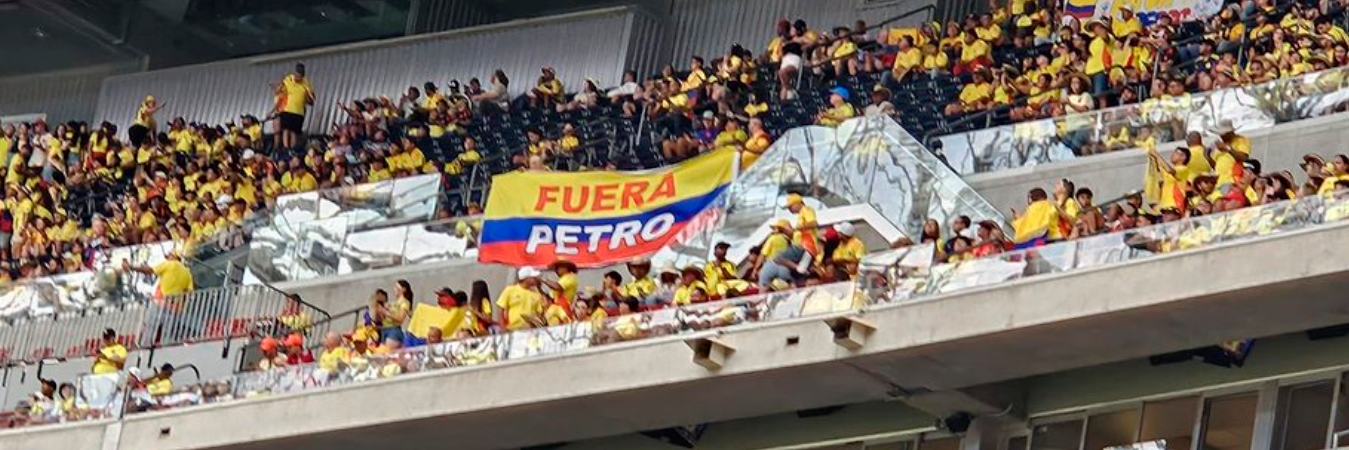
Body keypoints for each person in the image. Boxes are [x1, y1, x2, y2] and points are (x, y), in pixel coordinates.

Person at [276, 63, 315, 151]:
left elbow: (312, 99)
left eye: (300, 77)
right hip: (287, 109)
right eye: (297, 76)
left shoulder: (306, 83)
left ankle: (293, 148)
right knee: (286, 129)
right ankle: (286, 147)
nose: (298, 78)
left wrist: (308, 97)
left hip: (299, 111)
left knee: (294, 131)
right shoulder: (288, 79)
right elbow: (278, 91)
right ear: (295, 73)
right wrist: (280, 85)